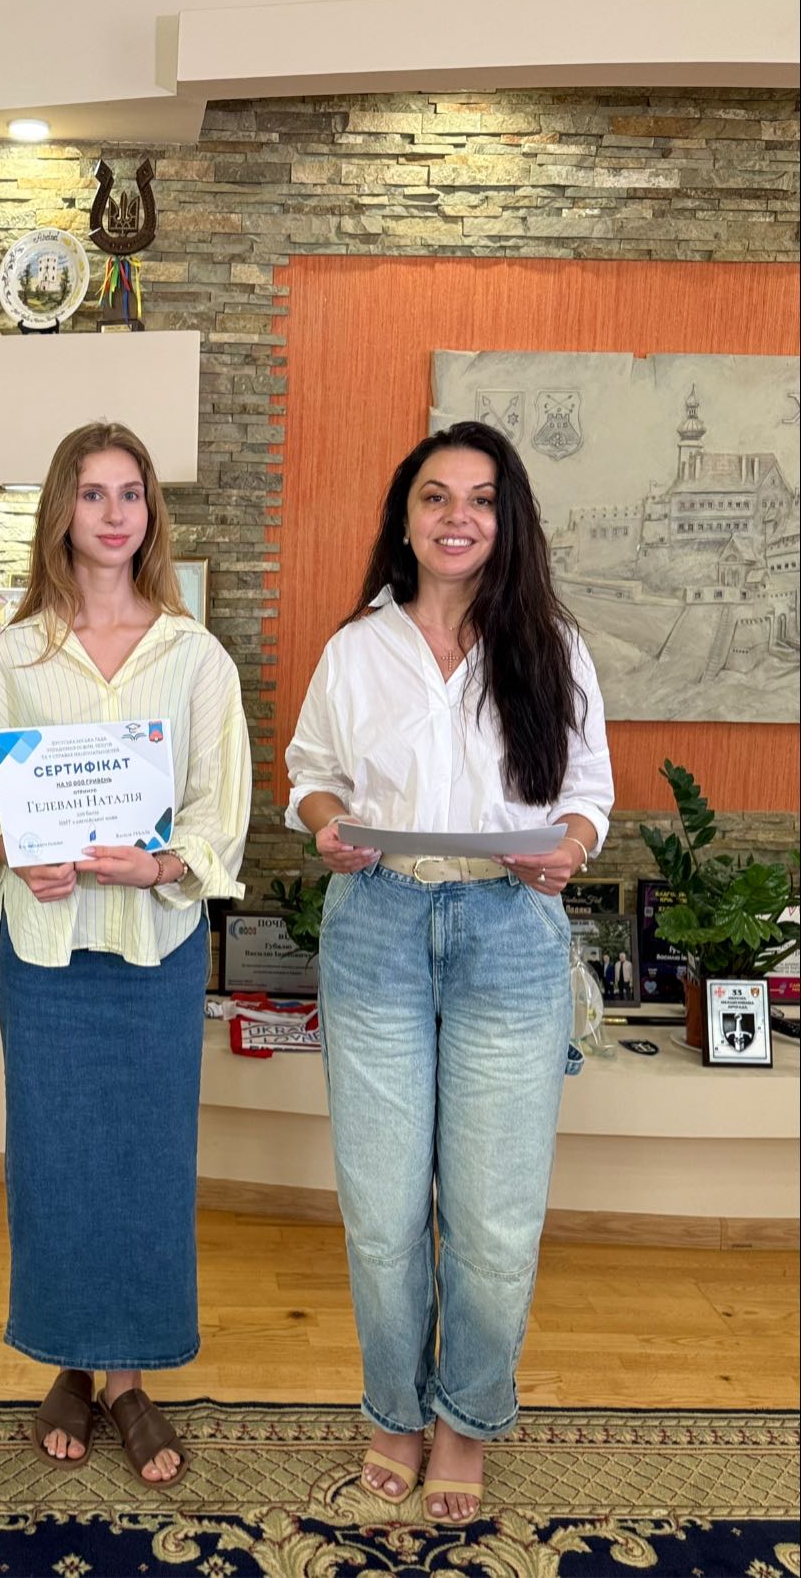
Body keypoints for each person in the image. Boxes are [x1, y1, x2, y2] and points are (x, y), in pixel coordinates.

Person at [285, 420, 612, 1525]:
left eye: (480, 498)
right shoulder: (357, 648)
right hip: (378, 925)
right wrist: (326, 824)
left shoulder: (552, 645)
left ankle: (466, 1419)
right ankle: (394, 1410)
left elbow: (588, 793)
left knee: (495, 1219)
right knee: (383, 1214)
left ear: (506, 520)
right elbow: (311, 773)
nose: (457, 517)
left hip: (509, 934)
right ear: (407, 517)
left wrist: (570, 846)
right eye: (436, 496)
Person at [0, 421, 251, 1487]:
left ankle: (128, 1379)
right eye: (91, 493)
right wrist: (13, 854)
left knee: (149, 1169)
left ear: (150, 512)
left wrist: (160, 866)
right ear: (61, 513)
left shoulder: (195, 656)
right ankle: (70, 1363)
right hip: (48, 956)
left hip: (155, 953)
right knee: (58, 1165)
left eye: (130, 493)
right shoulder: (16, 656)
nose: (114, 514)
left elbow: (220, 817)